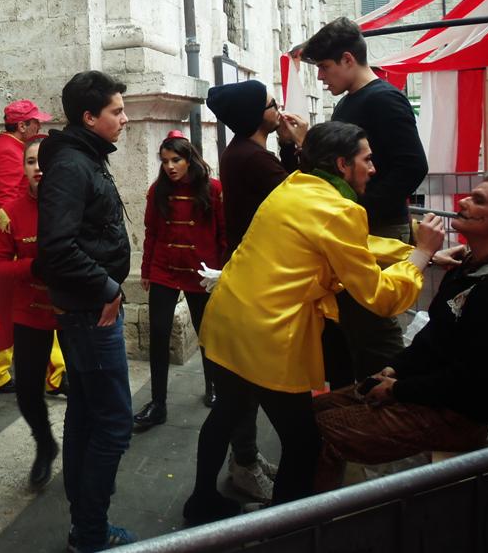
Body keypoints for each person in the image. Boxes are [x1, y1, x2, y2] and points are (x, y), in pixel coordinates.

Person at [183, 121, 445, 524]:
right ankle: (285, 530)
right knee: (304, 441)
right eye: (367, 159)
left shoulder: (295, 186)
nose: (373, 168)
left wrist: (411, 251)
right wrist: (421, 257)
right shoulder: (340, 210)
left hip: (229, 319)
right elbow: (380, 296)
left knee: (226, 413)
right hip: (267, 335)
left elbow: (353, 244)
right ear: (342, 164)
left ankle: (201, 501)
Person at [314, 172, 488, 489]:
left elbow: (476, 381)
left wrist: (397, 390)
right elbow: (433, 339)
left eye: (478, 201)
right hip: (425, 393)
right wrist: (394, 369)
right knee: (312, 411)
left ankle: (308, 516)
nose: (464, 201)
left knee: (320, 431)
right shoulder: (469, 268)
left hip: (456, 416)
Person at [33, 70, 137, 552]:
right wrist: (107, 286)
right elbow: (56, 247)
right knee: (114, 423)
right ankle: (91, 533)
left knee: (87, 416)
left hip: (89, 307)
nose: (125, 118)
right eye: (117, 111)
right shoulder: (73, 165)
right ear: (89, 117)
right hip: (90, 313)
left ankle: (84, 525)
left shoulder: (85, 156)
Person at [302, 17, 430, 386]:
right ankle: (349, 404)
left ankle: (384, 403)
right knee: (348, 326)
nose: (321, 77)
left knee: (374, 326)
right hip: (355, 226)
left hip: (378, 226)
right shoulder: (349, 102)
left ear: (347, 59)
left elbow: (412, 165)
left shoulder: (384, 99)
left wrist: (358, 209)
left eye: (324, 67)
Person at [203, 79, 306, 501]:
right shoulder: (251, 157)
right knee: (244, 389)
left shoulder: (244, 152)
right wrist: (299, 145)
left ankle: (244, 458)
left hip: (250, 277)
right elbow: (301, 199)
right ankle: (242, 464)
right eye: (271, 104)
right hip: (256, 283)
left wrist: (286, 147)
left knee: (240, 390)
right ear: (254, 116)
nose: (278, 108)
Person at [132, 131, 225, 432]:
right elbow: (151, 232)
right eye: (165, 161)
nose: (170, 167)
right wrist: (146, 269)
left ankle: (213, 386)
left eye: (176, 160)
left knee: (206, 332)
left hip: (201, 270)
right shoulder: (157, 190)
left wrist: (222, 271)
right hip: (164, 268)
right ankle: (157, 403)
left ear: (189, 160)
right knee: (158, 333)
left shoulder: (212, 189)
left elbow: (222, 234)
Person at [0, 135, 63, 489]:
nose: (38, 168)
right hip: (30, 310)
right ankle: (44, 443)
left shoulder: (73, 203)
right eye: (31, 161)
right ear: (23, 168)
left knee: (86, 386)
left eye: (44, 161)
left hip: (71, 310)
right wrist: (31, 267)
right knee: (28, 390)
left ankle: (85, 451)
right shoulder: (10, 214)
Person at [0, 98, 57, 396]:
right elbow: (8, 205)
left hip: (11, 248)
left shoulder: (6, 147)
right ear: (22, 125)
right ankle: (50, 374)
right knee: (28, 308)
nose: (39, 126)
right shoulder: (9, 152)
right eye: (35, 122)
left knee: (8, 310)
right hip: (14, 249)